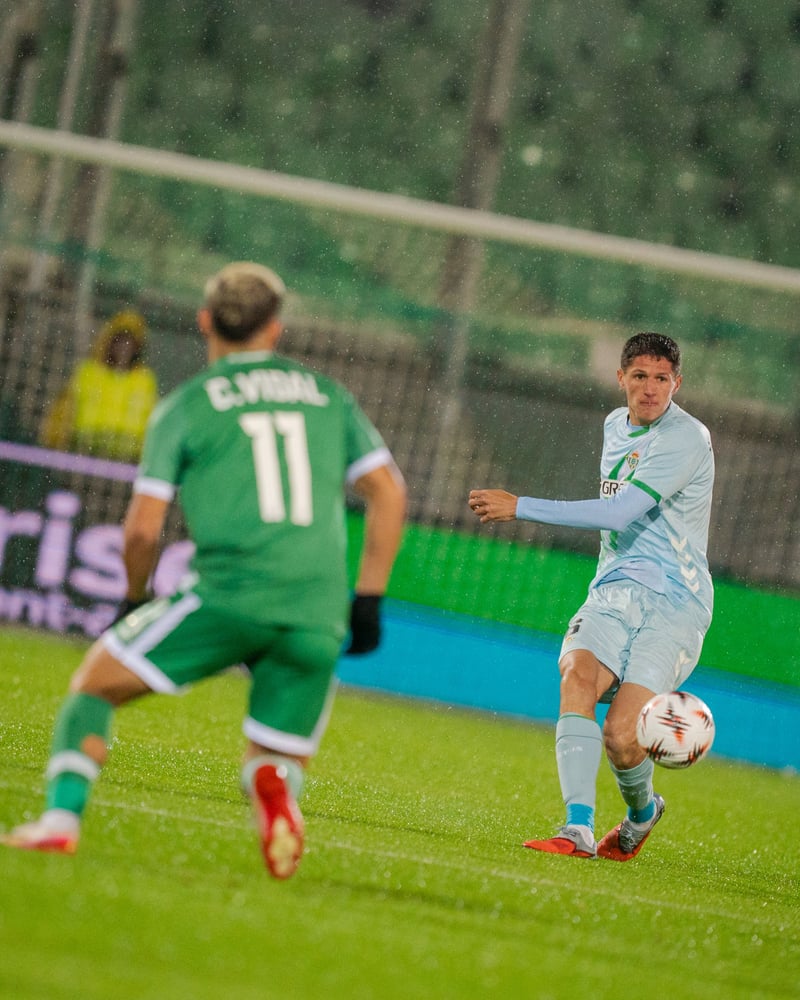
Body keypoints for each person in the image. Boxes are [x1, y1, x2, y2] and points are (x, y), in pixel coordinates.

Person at [3, 262, 407, 878]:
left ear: (204, 322)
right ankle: (273, 787)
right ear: (274, 328)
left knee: (94, 685)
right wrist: (369, 599)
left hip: (228, 594)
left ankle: (59, 822)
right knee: (274, 754)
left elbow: (142, 530)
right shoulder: (329, 396)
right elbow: (388, 492)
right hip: (316, 607)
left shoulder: (186, 406)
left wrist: (134, 598)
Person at [468, 332, 714, 861]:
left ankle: (643, 812)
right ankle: (577, 829)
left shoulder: (688, 438)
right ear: (621, 378)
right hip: (613, 589)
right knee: (576, 677)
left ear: (677, 383)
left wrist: (520, 506)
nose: (650, 389)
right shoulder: (613, 425)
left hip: (675, 602)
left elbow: (617, 513)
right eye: (640, 376)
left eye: (662, 378)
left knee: (622, 737)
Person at [40, 309, 158, 461]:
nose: (124, 348)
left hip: (127, 459)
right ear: (109, 342)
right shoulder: (88, 373)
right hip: (83, 453)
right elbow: (63, 412)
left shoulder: (145, 380)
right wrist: (55, 444)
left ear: (138, 347)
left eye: (130, 343)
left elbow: (153, 422)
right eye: (120, 341)